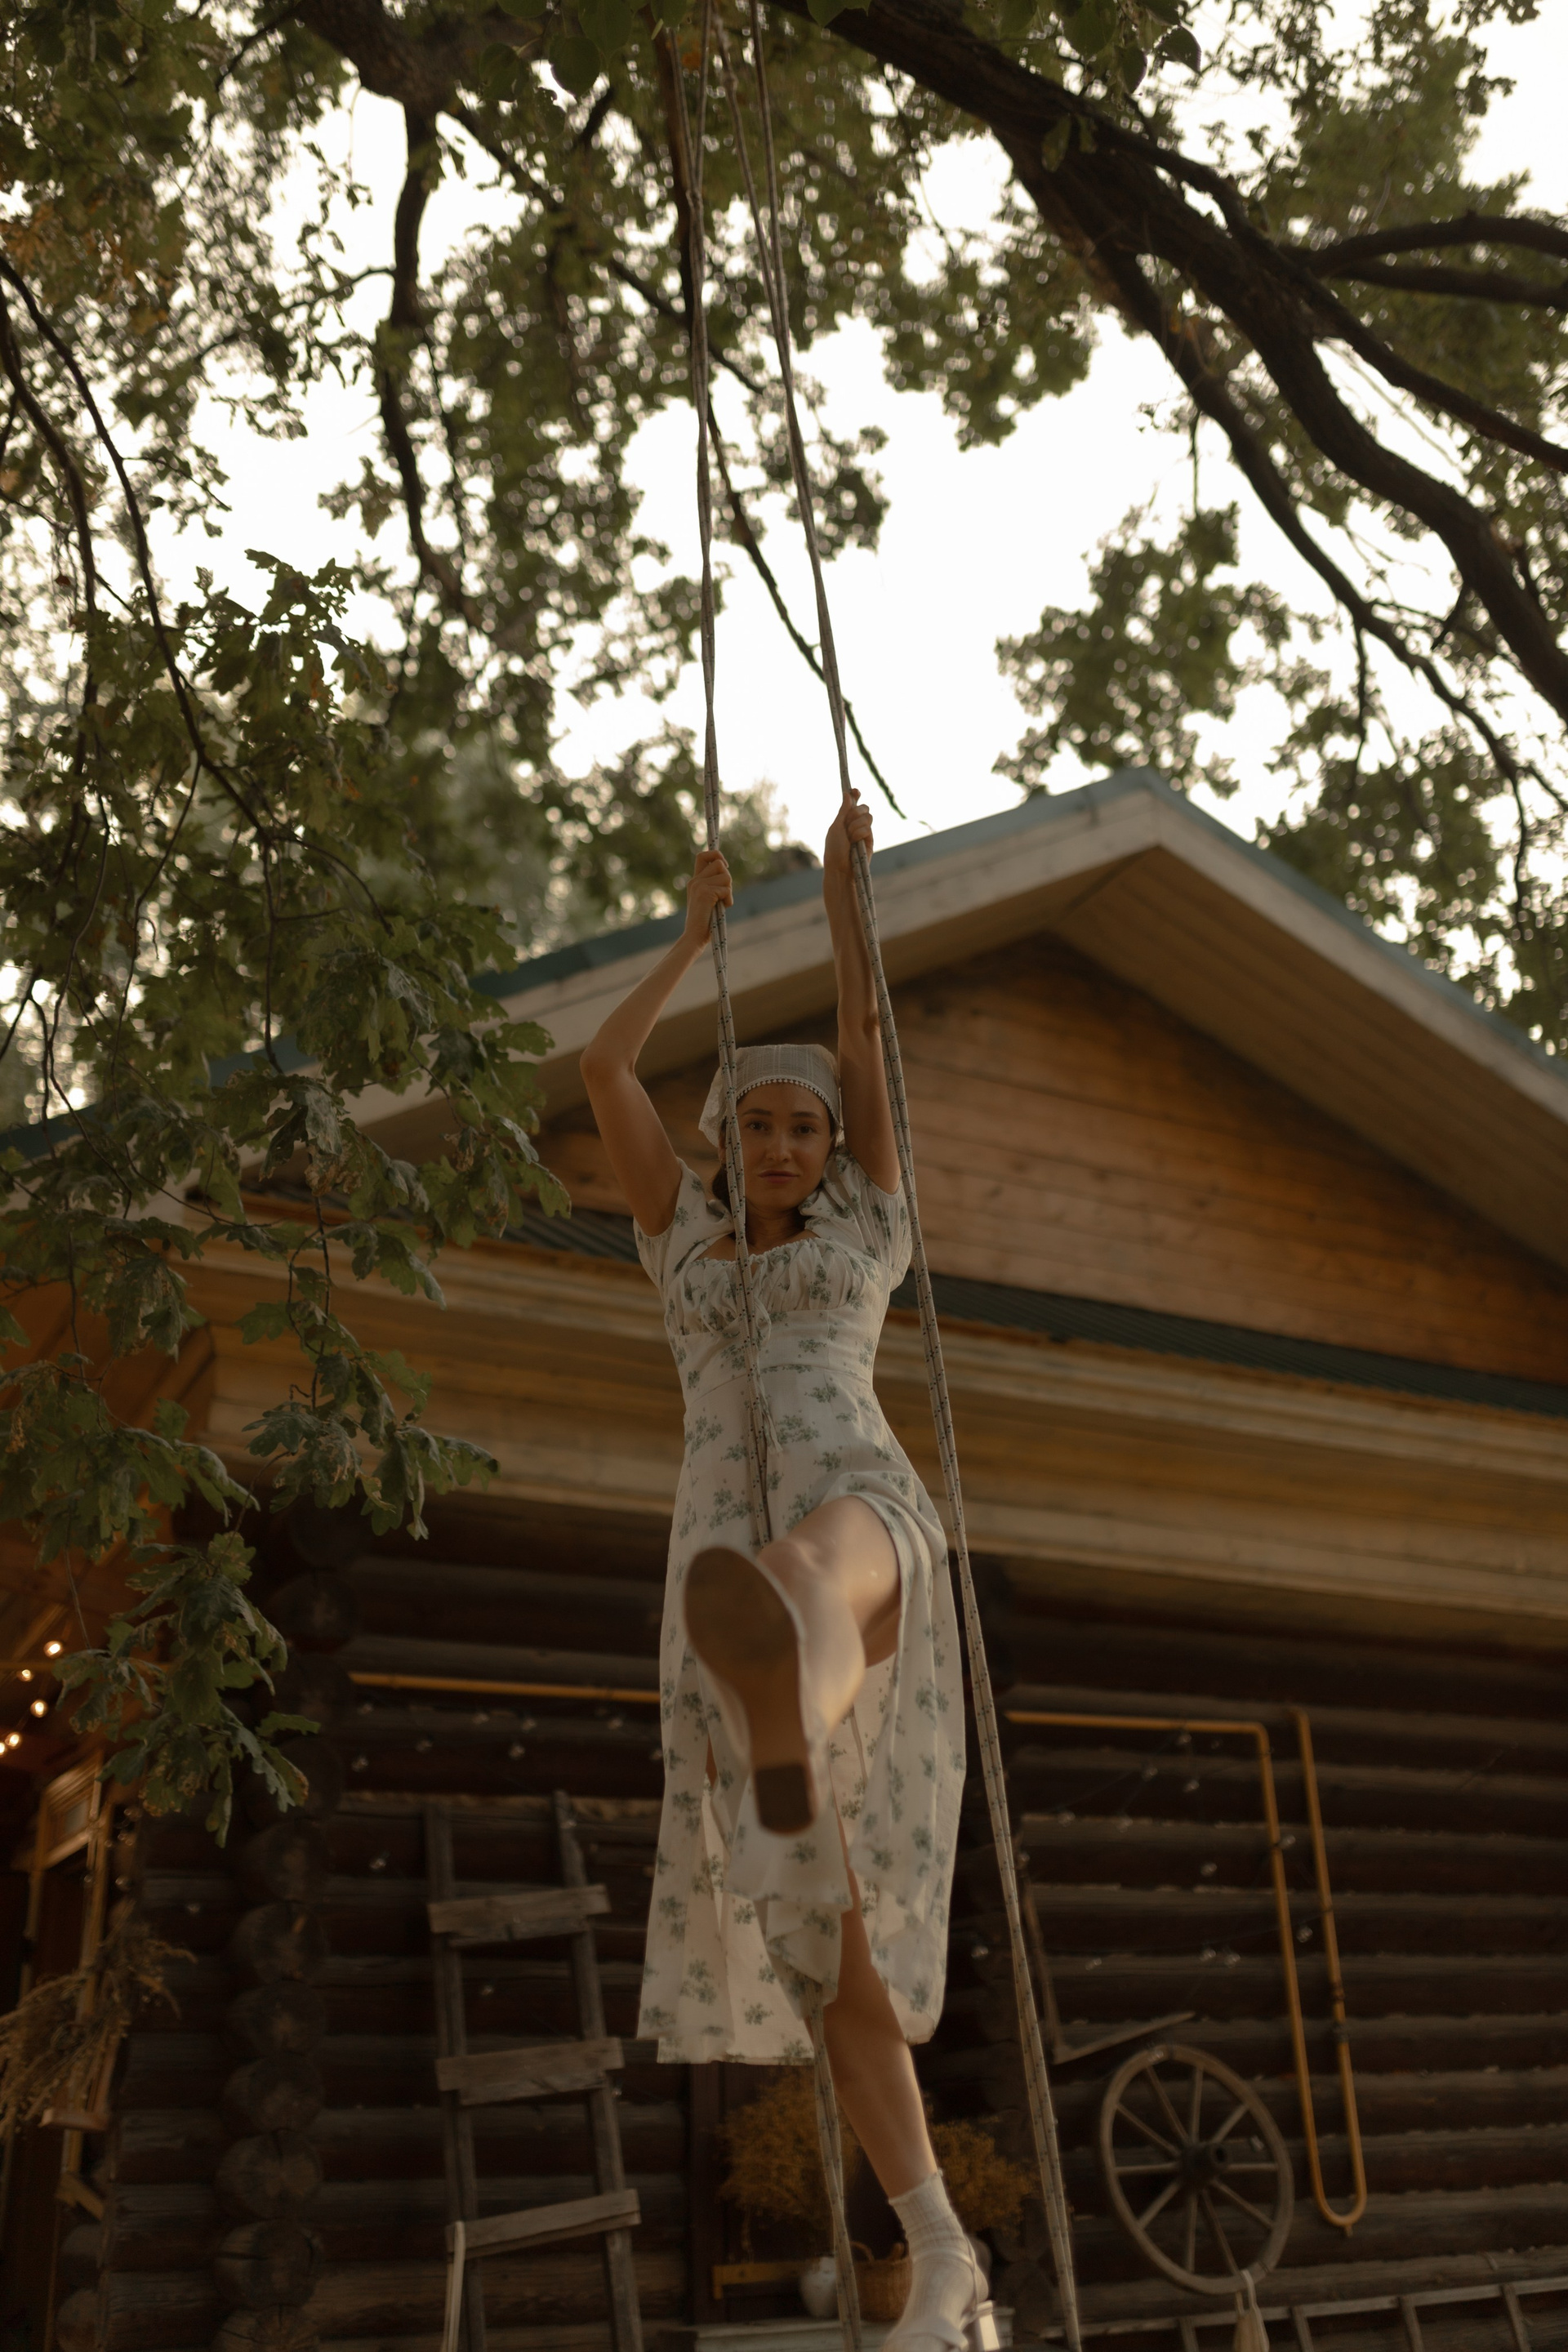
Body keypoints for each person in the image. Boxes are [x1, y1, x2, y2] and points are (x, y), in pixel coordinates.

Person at [581, 793, 987, 2352]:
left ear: (832, 1151)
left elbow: (868, 1041)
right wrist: (689, 940)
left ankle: (783, 1696)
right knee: (834, 1967)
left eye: (802, 1127)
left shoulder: (871, 1222)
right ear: (725, 1138)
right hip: (716, 1546)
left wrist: (839, 907)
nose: (779, 1144)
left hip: (859, 1504)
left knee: (808, 1569)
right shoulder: (679, 1243)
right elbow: (604, 1070)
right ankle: (940, 2246)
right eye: (754, 1123)